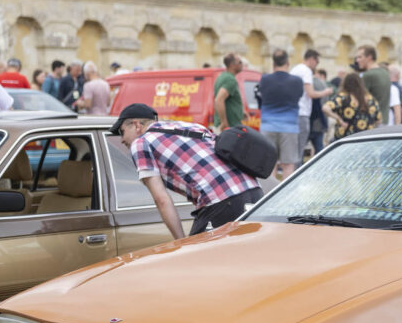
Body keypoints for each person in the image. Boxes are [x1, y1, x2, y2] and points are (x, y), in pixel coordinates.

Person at [112, 103, 262, 239]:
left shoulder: (141, 143)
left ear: (137, 125)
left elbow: (162, 200)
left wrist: (181, 243)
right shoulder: (191, 127)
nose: (122, 139)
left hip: (221, 201)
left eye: (122, 131)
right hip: (255, 193)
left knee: (194, 263)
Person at [257, 49, 304, 177]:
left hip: (267, 126)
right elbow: (299, 96)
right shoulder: (297, 81)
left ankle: (270, 194)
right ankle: (286, 195)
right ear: (288, 62)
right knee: (288, 164)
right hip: (290, 128)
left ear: (273, 64)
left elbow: (260, 97)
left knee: (269, 164)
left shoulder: (265, 80)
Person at [290, 49, 333, 158]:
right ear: (312, 59)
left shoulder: (295, 69)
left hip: (292, 112)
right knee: (299, 151)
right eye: (317, 62)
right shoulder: (306, 71)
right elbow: (310, 93)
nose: (316, 65)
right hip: (302, 113)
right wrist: (326, 92)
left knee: (293, 149)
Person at [322, 72, 380, 139]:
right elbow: (379, 120)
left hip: (346, 139)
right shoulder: (370, 99)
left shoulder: (343, 97)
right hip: (366, 139)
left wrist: (339, 119)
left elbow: (325, 108)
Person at [213, 52, 246, 134]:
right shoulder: (230, 79)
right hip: (230, 128)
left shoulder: (222, 76)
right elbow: (219, 100)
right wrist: (224, 123)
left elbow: (229, 101)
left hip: (226, 127)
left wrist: (242, 111)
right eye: (240, 62)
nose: (242, 64)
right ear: (232, 65)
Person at [355, 45, 391, 116]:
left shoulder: (368, 75)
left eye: (360, 57)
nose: (357, 60)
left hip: (372, 120)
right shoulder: (385, 73)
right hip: (385, 118)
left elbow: (363, 100)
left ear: (369, 57)